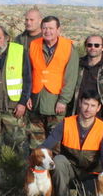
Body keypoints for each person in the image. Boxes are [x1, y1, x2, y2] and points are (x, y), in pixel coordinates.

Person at [39, 89, 103, 196]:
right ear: (80, 103)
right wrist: (35, 155)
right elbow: (47, 144)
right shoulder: (66, 123)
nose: (88, 109)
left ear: (98, 108)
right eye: (86, 104)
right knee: (58, 161)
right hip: (69, 171)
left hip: (91, 174)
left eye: (92, 106)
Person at [0, 26, 32, 157]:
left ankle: (20, 170)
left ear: (7, 38)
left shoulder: (20, 51)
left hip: (14, 110)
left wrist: (22, 103)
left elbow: (27, 80)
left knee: (19, 147)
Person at [26, 16, 78, 148]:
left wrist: (63, 100)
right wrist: (27, 96)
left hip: (56, 104)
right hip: (36, 102)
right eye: (44, 28)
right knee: (36, 145)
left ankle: (54, 162)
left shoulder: (68, 47)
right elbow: (27, 73)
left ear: (58, 30)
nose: (47, 31)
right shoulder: (33, 45)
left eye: (51, 28)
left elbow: (71, 77)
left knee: (55, 144)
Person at [70, 35, 103, 131]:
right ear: (86, 47)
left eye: (97, 45)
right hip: (77, 116)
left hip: (100, 119)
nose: (93, 48)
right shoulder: (77, 64)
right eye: (89, 45)